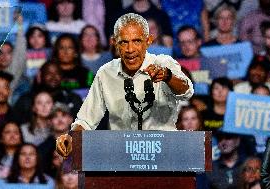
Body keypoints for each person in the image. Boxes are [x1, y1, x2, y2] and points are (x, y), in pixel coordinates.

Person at [56, 13, 193, 158]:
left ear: (148, 41)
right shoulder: (105, 73)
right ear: (114, 43)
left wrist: (168, 77)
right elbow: (86, 120)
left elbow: (186, 91)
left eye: (137, 41)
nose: (130, 49)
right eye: (124, 42)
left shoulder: (164, 63)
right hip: (122, 157)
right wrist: (72, 137)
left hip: (163, 154)